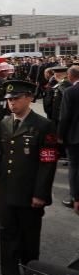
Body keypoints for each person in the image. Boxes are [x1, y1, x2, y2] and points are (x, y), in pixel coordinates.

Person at [0, 80, 58, 275]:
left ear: (29, 97)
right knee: (6, 236)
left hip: (30, 195)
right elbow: (3, 158)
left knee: (29, 238)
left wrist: (40, 194)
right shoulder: (5, 123)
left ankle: (32, 271)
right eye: (9, 99)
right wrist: (0, 187)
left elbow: (48, 162)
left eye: (16, 98)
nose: (11, 103)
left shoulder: (43, 125)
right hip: (8, 192)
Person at [58, 65, 79, 210]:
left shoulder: (70, 91)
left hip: (75, 137)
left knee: (75, 168)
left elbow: (64, 117)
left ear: (70, 76)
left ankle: (75, 198)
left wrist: (59, 135)